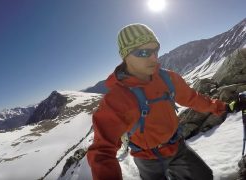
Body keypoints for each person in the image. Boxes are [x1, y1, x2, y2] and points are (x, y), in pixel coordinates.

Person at [87, 23, 243, 180]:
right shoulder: (117, 99)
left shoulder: (167, 78)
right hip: (147, 159)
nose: (154, 57)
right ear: (125, 56)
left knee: (205, 177)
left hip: (177, 147)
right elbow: (102, 151)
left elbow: (193, 99)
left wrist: (224, 107)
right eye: (143, 52)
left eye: (155, 50)